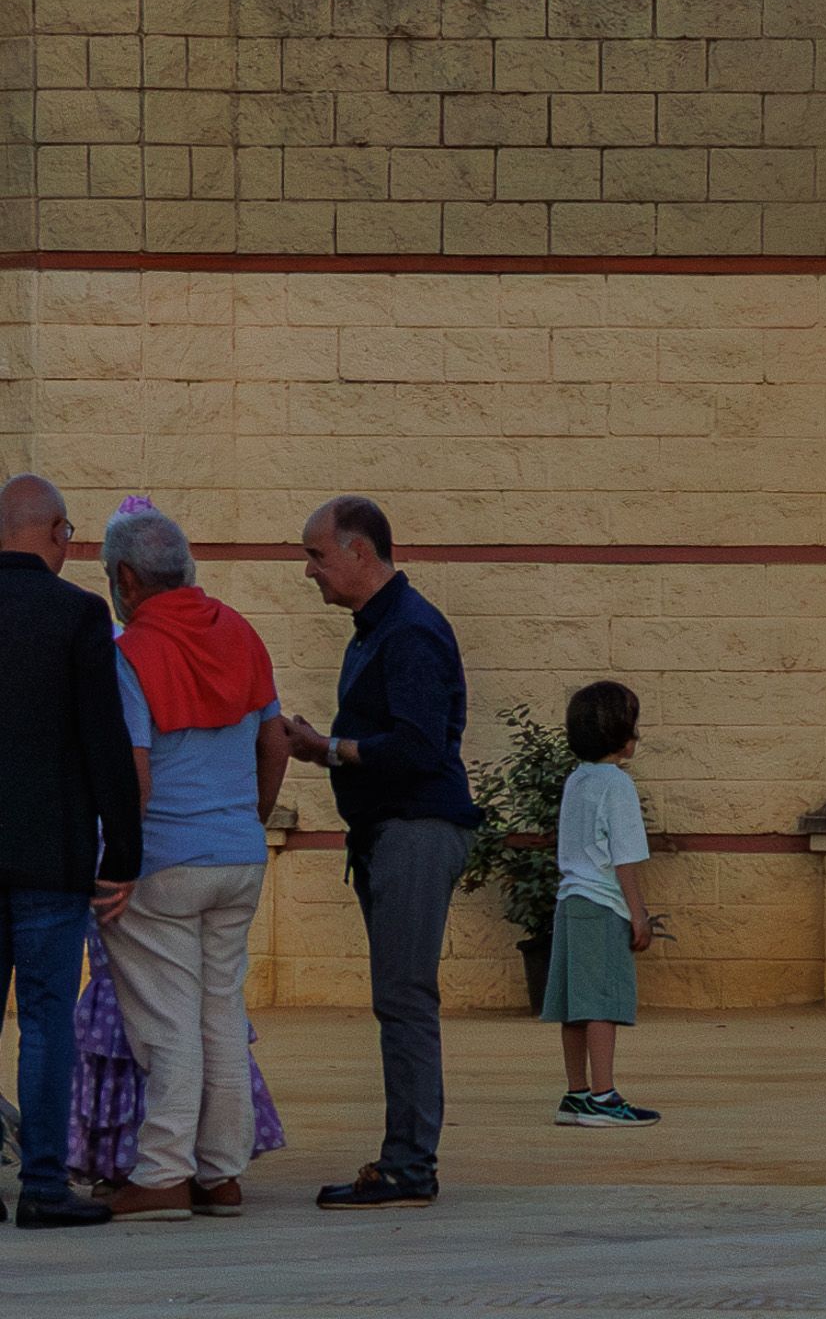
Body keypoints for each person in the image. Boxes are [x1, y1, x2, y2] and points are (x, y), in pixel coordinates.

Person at [278, 495, 467, 1210]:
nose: (309, 573)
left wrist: (327, 749)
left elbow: (419, 748)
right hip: (394, 831)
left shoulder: (409, 632)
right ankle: (406, 1161)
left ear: (360, 551)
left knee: (405, 1000)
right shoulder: (381, 628)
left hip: (415, 828)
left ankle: (410, 1168)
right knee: (400, 999)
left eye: (315, 555)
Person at [92, 504, 273, 1214]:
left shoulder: (132, 650)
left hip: (164, 859)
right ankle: (221, 1174)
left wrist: (120, 865)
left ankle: (163, 1173)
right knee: (220, 1013)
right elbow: (275, 742)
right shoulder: (243, 633)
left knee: (166, 1022)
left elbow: (133, 772)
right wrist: (246, 821)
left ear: (128, 579)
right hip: (239, 857)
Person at [0, 476, 145, 1230]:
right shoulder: (78, 615)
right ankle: (44, 1186)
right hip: (51, 858)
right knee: (48, 1020)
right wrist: (122, 852)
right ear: (55, 532)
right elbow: (104, 741)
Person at [537, 682, 659, 1126]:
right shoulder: (617, 785)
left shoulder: (578, 779)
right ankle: (604, 1098)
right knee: (602, 1003)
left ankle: (576, 1095)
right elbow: (624, 855)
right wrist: (638, 912)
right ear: (621, 733)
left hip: (570, 901)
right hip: (604, 904)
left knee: (574, 1004)